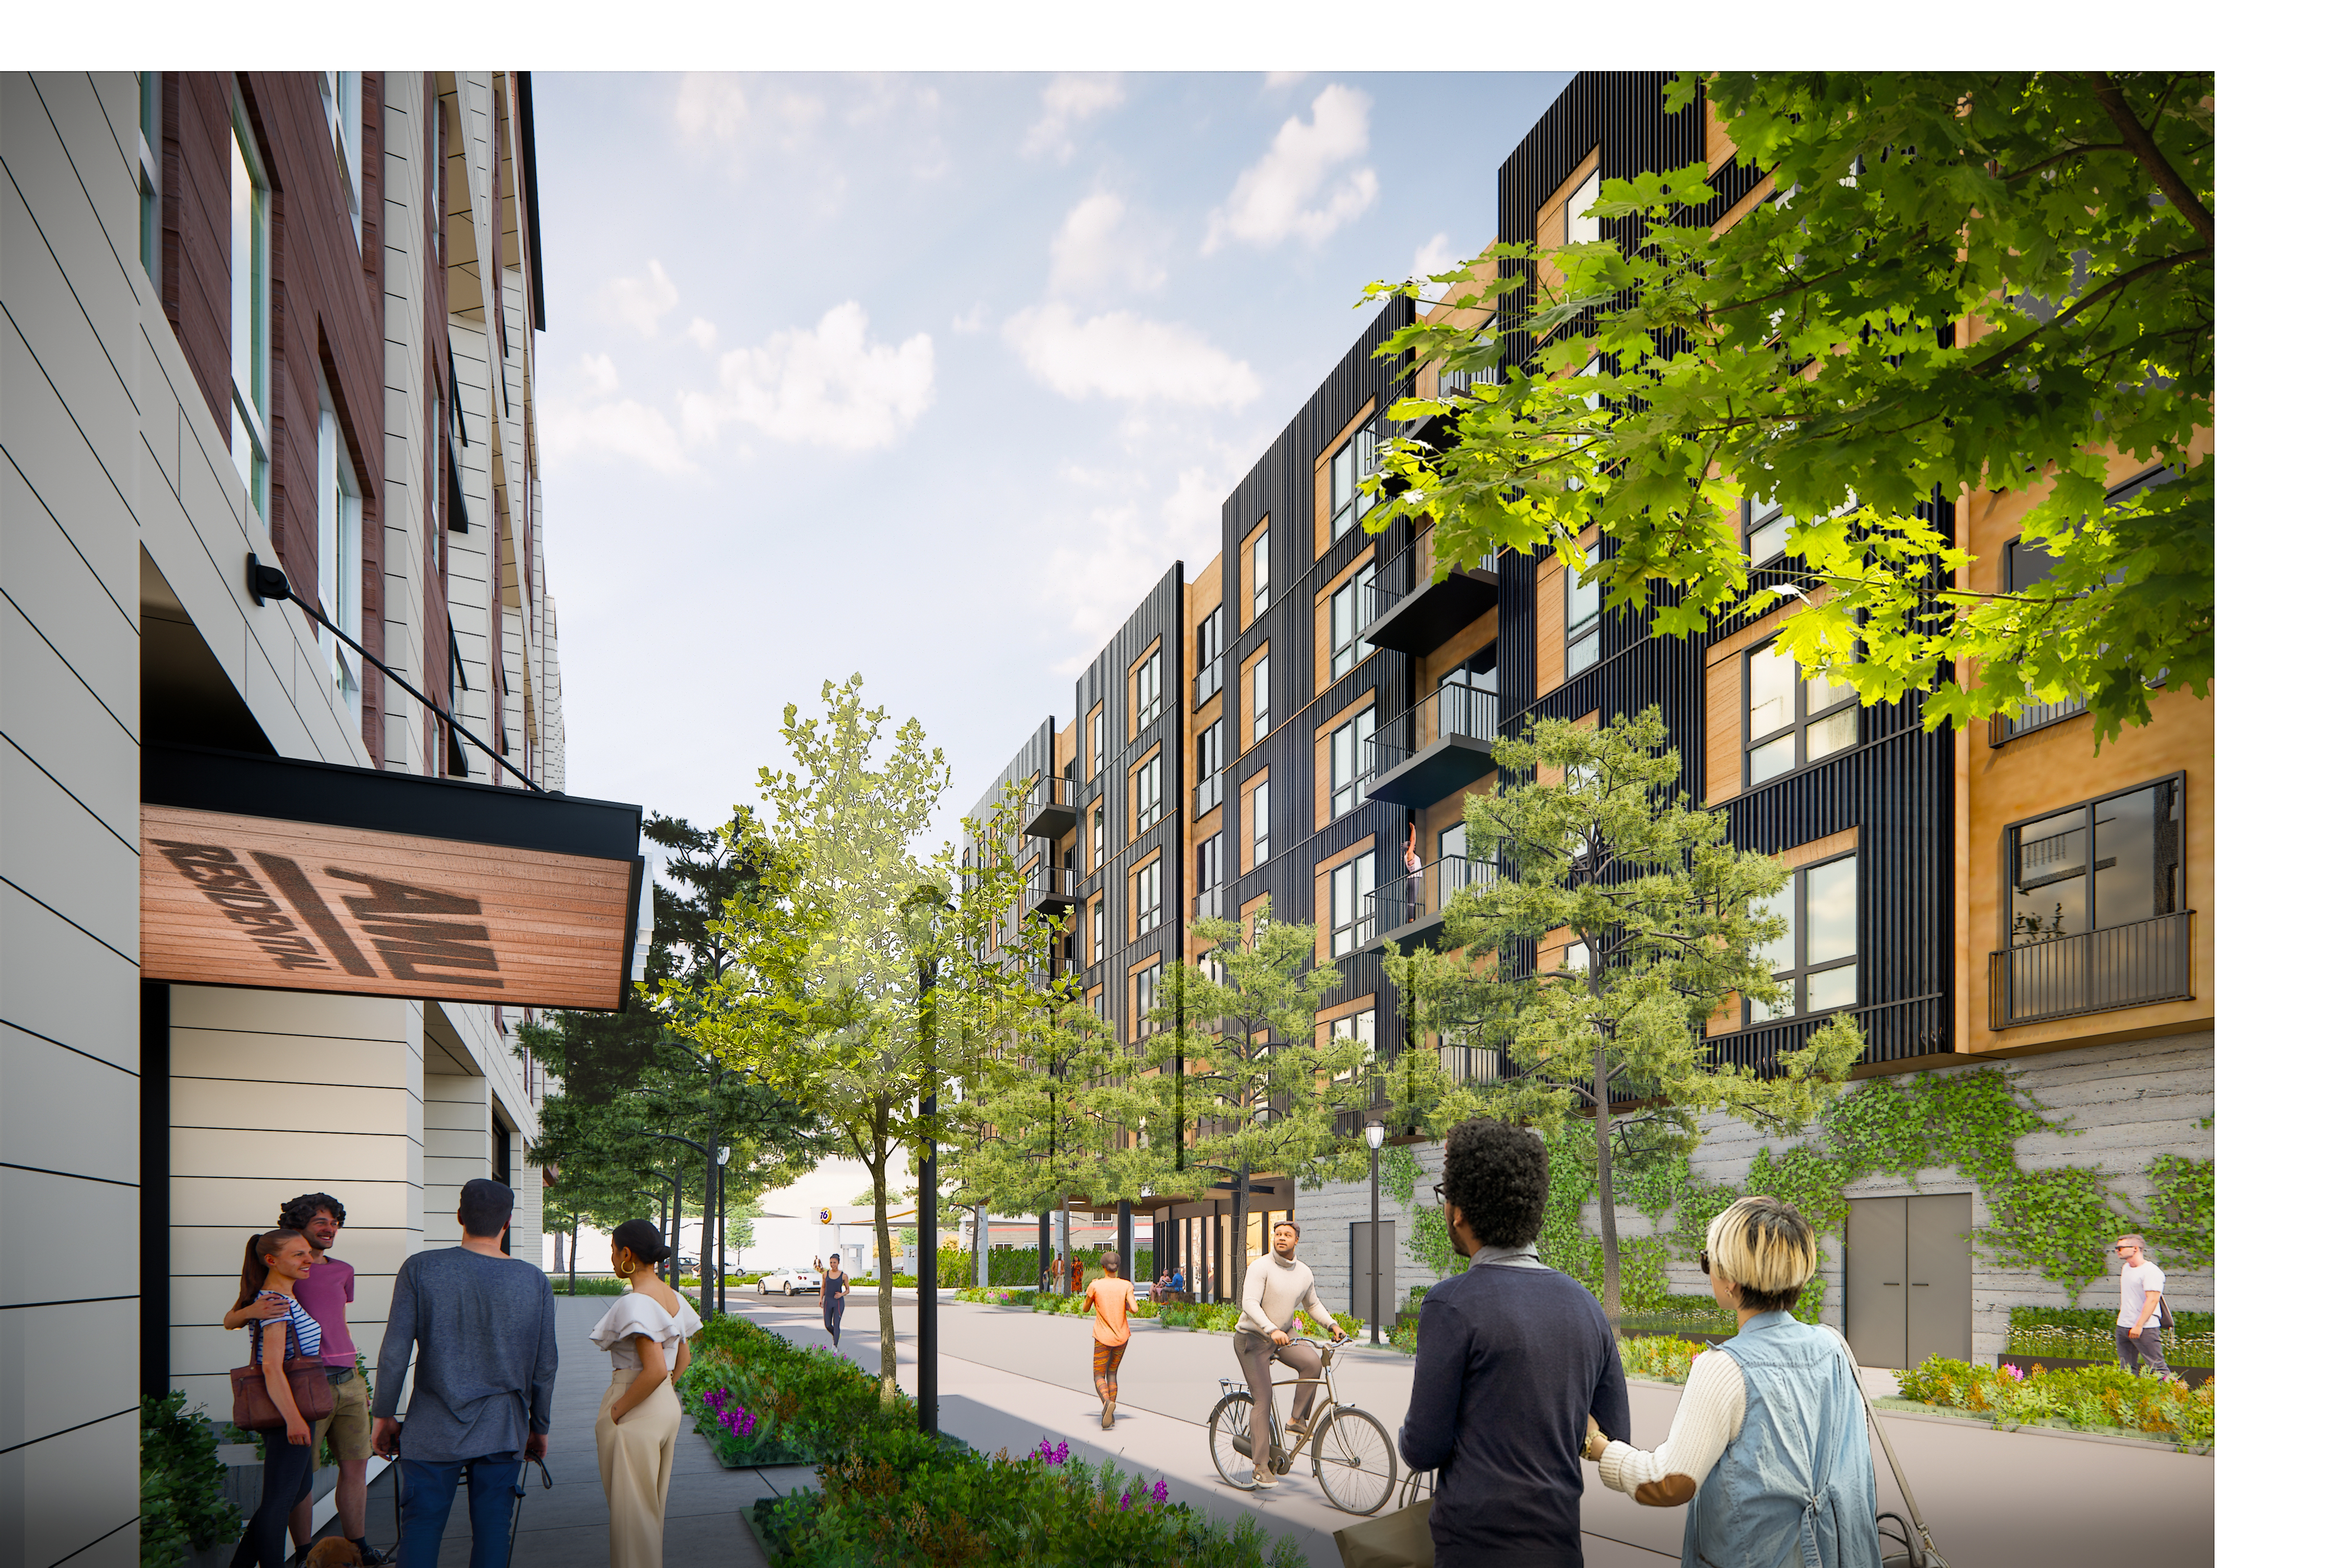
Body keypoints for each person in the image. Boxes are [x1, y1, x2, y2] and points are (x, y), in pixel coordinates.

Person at [1589, 1195, 1877, 1568]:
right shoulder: (1833, 1347)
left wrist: (1595, 1446)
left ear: (1730, 1281)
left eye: (1707, 1261)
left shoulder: (1723, 1368)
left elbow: (1667, 1482)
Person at [1398, 1120, 1631, 1567]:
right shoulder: (1585, 1306)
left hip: (1475, 1550)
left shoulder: (1451, 1304)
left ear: (1459, 1210)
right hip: (1560, 1548)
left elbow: (1423, 1448)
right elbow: (1615, 1434)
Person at [371, 1179, 558, 1568]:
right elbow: (545, 1365)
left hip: (432, 1426)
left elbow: (394, 1353)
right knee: (493, 1532)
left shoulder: (420, 1269)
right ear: (507, 1223)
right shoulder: (533, 1281)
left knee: (420, 1529)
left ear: (460, 1218)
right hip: (503, 1425)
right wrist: (538, 1426)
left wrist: (383, 1414)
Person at [223, 1194, 379, 1564]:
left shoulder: (335, 1271)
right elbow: (236, 1322)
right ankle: (306, 1553)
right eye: (321, 1222)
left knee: (333, 1474)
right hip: (302, 1389)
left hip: (347, 1381)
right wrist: (252, 1311)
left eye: (335, 1223)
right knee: (293, 1486)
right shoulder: (279, 1286)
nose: (330, 1230)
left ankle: (357, 1547)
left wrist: (357, 1379)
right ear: (297, 1228)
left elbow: (336, 1324)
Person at [592, 1218, 701, 1568]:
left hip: (635, 1406)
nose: (611, 1258)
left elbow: (652, 1369)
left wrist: (615, 1411)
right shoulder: (673, 1297)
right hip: (664, 1406)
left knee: (631, 1524)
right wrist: (664, 1392)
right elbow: (683, 1357)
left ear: (627, 1254)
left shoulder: (636, 1303)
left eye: (612, 1251)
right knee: (648, 1516)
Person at [226, 1228, 322, 1568]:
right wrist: (294, 1419)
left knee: (292, 1493)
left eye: (308, 1252)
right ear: (272, 1260)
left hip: (293, 1410)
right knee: (280, 1500)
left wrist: (249, 1312)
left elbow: (229, 1320)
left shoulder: (272, 1299)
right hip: (288, 1412)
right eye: (299, 1254)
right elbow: (271, 1368)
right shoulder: (277, 1304)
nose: (309, 1259)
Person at [1232, 1219, 1346, 1488]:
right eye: (1278, 1234)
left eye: (1287, 1235)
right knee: (1263, 1398)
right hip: (1253, 1339)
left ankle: (1296, 1419)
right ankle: (1261, 1466)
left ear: (1297, 1241)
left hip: (1283, 1335)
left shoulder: (1304, 1273)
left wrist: (1332, 1325)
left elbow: (1313, 1303)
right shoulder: (1261, 1267)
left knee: (1312, 1363)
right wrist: (1271, 1329)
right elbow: (1249, 1303)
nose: (1281, 1238)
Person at [1083, 1251, 1138, 1428]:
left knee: (1099, 1375)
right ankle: (1111, 1414)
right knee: (1112, 1373)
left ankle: (1107, 1402)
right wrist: (1126, 1305)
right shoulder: (1126, 1285)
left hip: (1102, 1337)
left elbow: (1085, 1308)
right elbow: (1135, 1309)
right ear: (1118, 1267)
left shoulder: (1096, 1286)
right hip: (1122, 1337)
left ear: (1103, 1268)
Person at [2114, 1233, 2170, 1377]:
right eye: (2117, 1248)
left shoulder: (2151, 1272)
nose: (2117, 1251)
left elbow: (2152, 1300)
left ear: (2135, 1249)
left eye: (2120, 1248)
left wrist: (2139, 1326)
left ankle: (2175, 1395)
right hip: (2123, 1326)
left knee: (2157, 1368)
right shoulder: (2126, 1268)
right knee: (2126, 1370)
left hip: (2145, 1328)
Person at [821, 1253, 849, 1347]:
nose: (833, 1264)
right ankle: (836, 1335)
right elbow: (823, 1287)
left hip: (838, 1302)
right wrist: (821, 1299)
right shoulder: (825, 1274)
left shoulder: (843, 1276)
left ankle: (835, 1345)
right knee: (828, 1325)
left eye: (835, 1263)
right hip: (828, 1301)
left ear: (838, 1263)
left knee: (836, 1324)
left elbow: (848, 1290)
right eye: (831, 1263)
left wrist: (842, 1294)